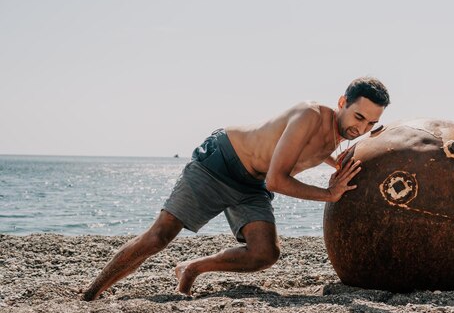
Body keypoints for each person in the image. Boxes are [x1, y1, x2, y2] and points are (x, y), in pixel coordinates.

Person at [82, 77, 390, 301]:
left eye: (370, 124)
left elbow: (312, 150)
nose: (361, 129)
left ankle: (190, 268)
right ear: (342, 103)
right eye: (358, 117)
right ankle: (92, 293)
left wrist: (340, 165)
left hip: (250, 184)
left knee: (264, 253)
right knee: (160, 235)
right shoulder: (309, 115)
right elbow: (276, 181)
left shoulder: (339, 134)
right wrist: (328, 194)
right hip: (220, 162)